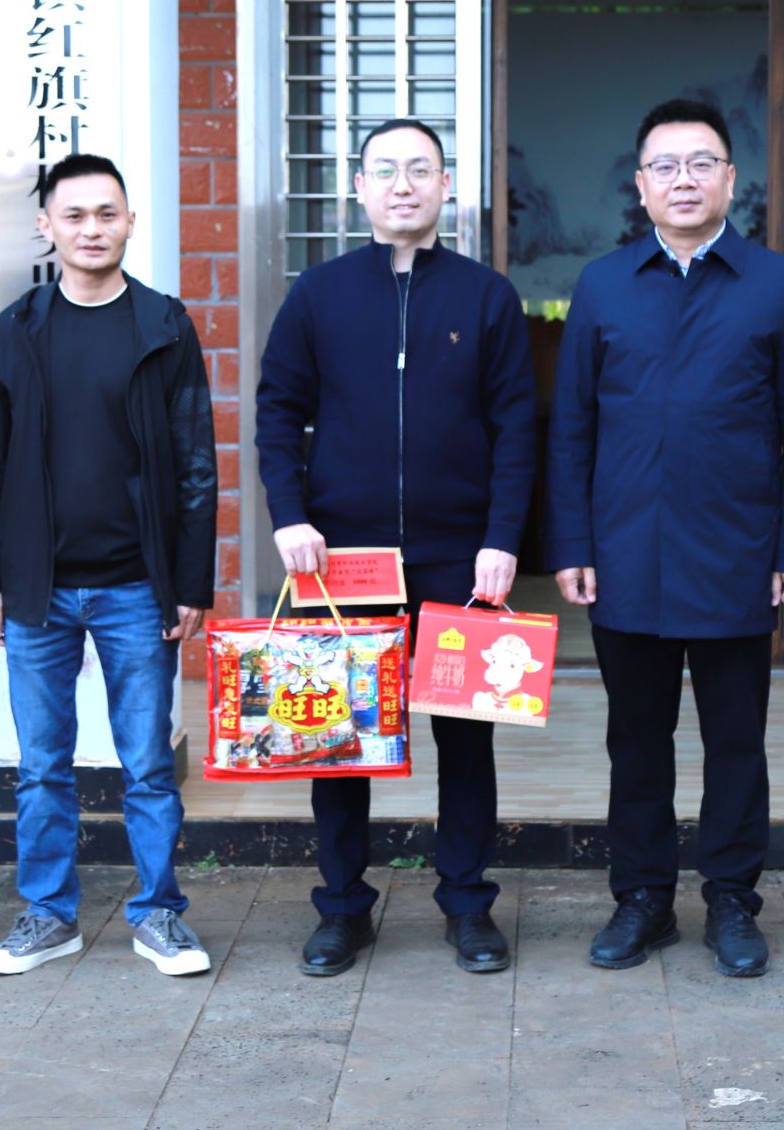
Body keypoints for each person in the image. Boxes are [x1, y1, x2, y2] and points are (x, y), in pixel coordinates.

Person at [547, 97, 784, 979]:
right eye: (664, 165)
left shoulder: (779, 285)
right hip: (625, 555)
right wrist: (571, 543)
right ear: (640, 184)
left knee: (735, 743)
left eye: (701, 162)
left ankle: (733, 900)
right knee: (636, 742)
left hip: (738, 557)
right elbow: (571, 429)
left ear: (730, 180)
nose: (683, 179)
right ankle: (642, 897)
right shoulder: (603, 285)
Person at [255, 117, 536, 977]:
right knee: (335, 735)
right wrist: (290, 515)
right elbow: (277, 410)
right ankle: (343, 907)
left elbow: (517, 425)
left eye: (420, 169)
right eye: (386, 170)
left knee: (466, 738)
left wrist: (502, 536)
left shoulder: (486, 296)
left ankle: (468, 904)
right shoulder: (319, 292)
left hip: (459, 555)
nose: (403, 184)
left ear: (446, 185)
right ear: (360, 188)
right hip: (343, 557)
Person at [0, 153, 218, 977]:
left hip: (137, 585)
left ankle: (159, 913)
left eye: (107, 213)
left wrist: (190, 582)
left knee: (147, 763)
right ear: (47, 226)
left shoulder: (164, 325)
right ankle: (48, 914)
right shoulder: (17, 329)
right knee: (41, 766)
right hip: (36, 586)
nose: (92, 229)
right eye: (74, 215)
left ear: (131, 220)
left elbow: (196, 463)